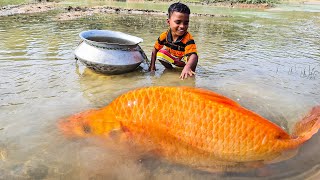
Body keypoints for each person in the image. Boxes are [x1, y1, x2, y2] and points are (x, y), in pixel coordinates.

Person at [148, 2, 198, 80]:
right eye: (178, 22)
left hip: (185, 60)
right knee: (160, 54)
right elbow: (155, 49)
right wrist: (152, 66)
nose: (182, 26)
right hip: (174, 58)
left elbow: (194, 56)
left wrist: (187, 67)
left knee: (192, 58)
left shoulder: (188, 38)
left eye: (186, 23)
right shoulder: (164, 36)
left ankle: (190, 72)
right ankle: (170, 70)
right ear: (168, 22)